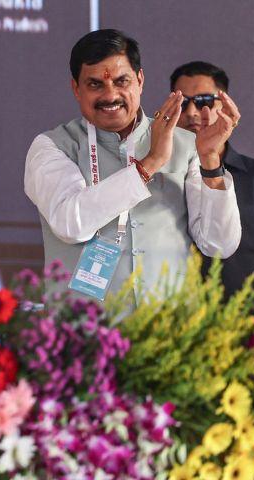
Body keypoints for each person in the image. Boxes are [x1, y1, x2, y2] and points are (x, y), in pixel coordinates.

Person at [23, 30, 242, 301]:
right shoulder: (53, 146)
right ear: (76, 89)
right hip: (86, 331)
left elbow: (219, 244)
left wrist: (211, 161)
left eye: (121, 81)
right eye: (95, 85)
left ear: (140, 81)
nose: (110, 95)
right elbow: (71, 223)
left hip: (166, 330)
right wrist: (149, 164)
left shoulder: (186, 146)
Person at [171, 61, 254, 300]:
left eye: (204, 101)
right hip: (179, 329)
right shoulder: (158, 178)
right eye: (182, 103)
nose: (191, 113)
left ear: (225, 105)